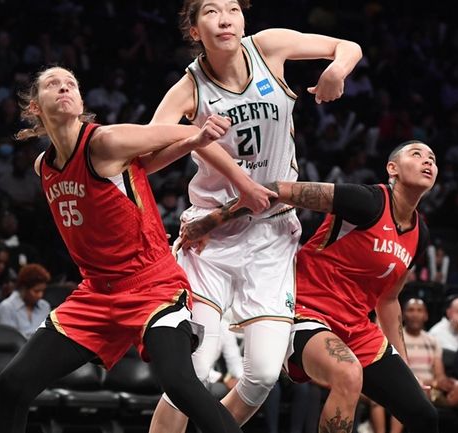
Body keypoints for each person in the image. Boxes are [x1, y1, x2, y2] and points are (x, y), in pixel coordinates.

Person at [0, 65, 242, 433]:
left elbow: (179, 132)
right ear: (35, 108)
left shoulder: (104, 141)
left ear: (80, 102)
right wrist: (189, 142)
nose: (63, 88)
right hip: (96, 292)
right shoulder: (43, 165)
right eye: (52, 84)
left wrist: (198, 139)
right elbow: (144, 166)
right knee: (13, 384)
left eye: (71, 83)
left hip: (151, 284)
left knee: (180, 385)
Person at [150, 1, 363, 430]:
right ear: (195, 31)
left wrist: (337, 69)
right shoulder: (189, 88)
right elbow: (148, 157)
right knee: (192, 369)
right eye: (211, 11)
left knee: (264, 373)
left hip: (272, 233)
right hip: (211, 235)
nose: (225, 17)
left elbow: (349, 45)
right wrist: (192, 137)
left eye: (232, 8)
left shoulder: (268, 48)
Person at [179, 141, 439, 432]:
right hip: (305, 312)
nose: (427, 161)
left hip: (357, 328)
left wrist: (404, 366)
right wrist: (210, 222)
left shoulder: (420, 234)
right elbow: (276, 190)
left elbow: (389, 300)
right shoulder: (367, 201)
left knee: (424, 415)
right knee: (347, 374)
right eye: (417, 155)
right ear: (392, 168)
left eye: (432, 158)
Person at [377, 298, 458, 433]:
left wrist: (445, 382)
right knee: (410, 392)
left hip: (432, 388)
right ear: (402, 315)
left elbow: (439, 375)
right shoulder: (395, 338)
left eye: (419, 310)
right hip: (407, 384)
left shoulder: (432, 340)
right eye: (411, 310)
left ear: (426, 315)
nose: (415, 314)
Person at [0, 263, 51, 339]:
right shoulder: (7, 307)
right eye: (36, 291)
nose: (40, 295)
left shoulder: (45, 306)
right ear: (23, 288)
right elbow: (7, 341)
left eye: (42, 291)